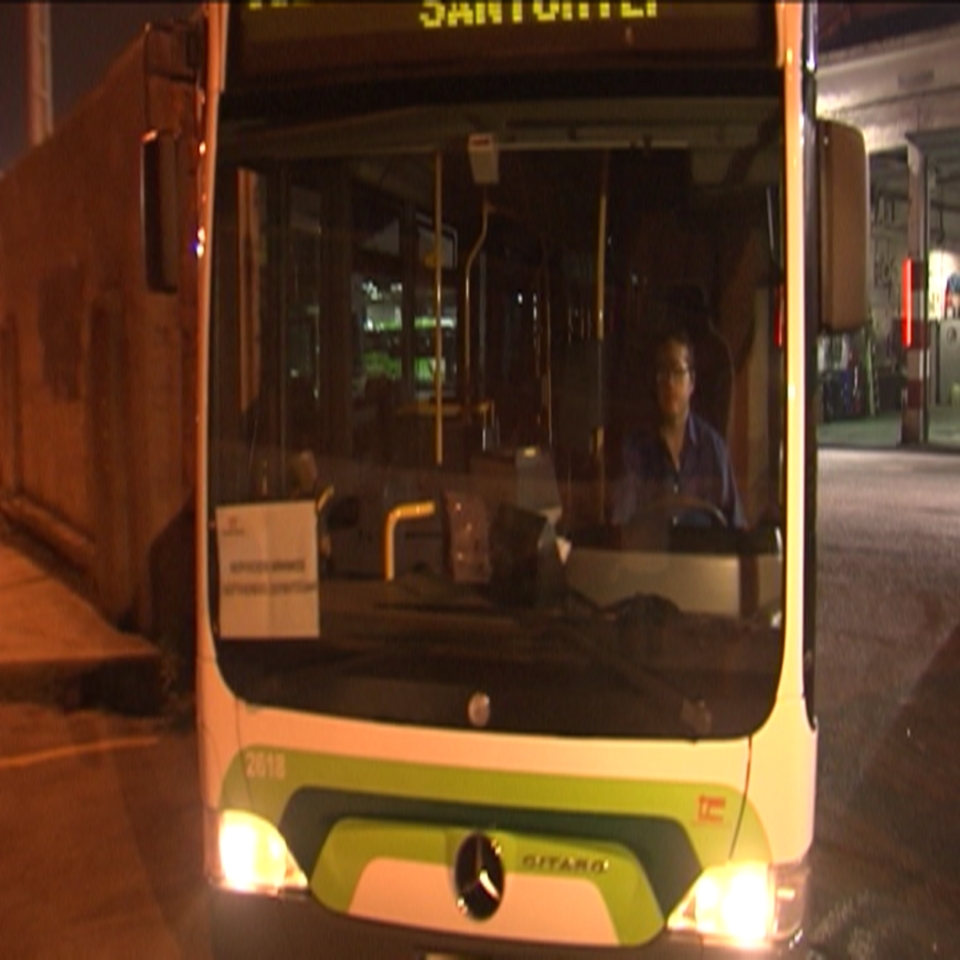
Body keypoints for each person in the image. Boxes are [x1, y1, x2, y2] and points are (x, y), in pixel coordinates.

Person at [611, 325, 745, 529]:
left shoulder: (713, 448)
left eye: (677, 371)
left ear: (691, 382)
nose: (670, 382)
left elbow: (736, 526)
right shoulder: (635, 450)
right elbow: (621, 524)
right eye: (663, 372)